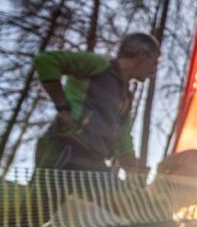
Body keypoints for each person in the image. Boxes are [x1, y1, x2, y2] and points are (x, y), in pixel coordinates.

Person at [33, 33, 160, 175]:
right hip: (64, 146)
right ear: (141, 55)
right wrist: (62, 108)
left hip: (93, 161)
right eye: (154, 63)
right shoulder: (99, 65)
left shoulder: (126, 98)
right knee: (43, 196)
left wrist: (133, 170)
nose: (154, 71)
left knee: (115, 193)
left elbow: (123, 137)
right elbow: (46, 61)